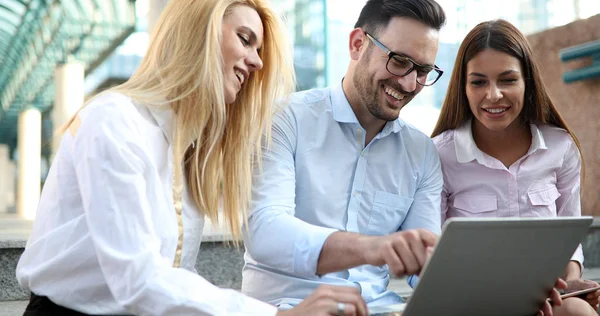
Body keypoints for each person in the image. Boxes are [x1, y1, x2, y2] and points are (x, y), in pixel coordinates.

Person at [16, 0, 369, 315]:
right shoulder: (113, 120)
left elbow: (175, 281)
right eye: (245, 39)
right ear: (198, 34)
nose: (258, 61)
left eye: (258, 48)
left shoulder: (190, 152)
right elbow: (137, 280)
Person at [242, 0, 446, 309]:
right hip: (289, 309)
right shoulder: (285, 118)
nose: (408, 83)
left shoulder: (421, 152)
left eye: (423, 71)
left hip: (378, 309)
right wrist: (374, 248)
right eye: (400, 61)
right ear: (357, 44)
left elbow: (426, 267)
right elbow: (264, 231)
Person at [431, 19, 600, 316]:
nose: (493, 95)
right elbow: (430, 252)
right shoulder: (440, 155)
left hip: (544, 299)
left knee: (577, 311)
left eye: (508, 80)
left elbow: (568, 240)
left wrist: (570, 284)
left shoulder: (560, 147)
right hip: (469, 302)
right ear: (463, 86)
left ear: (527, 82)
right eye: (479, 81)